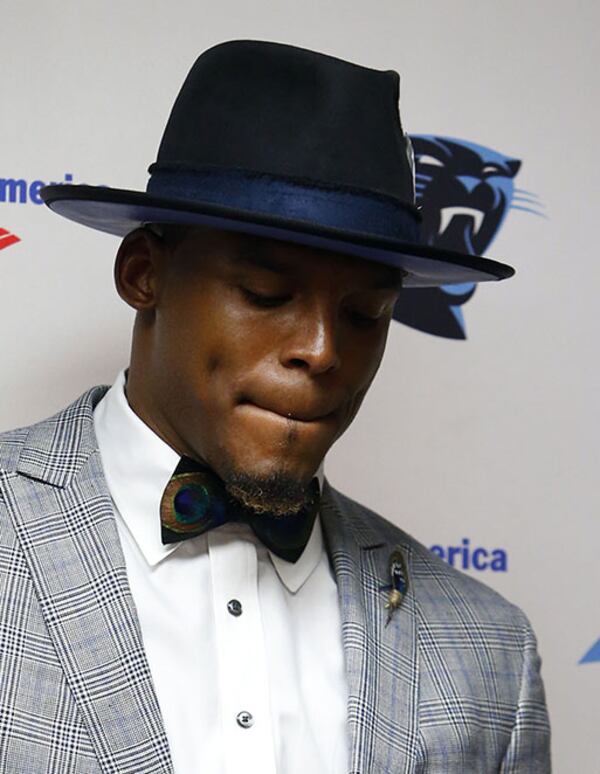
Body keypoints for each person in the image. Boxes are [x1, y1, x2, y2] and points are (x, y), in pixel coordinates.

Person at [0, 40, 550, 773]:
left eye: (364, 313)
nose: (323, 350)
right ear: (142, 274)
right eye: (266, 294)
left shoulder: (491, 653)